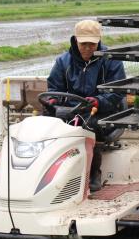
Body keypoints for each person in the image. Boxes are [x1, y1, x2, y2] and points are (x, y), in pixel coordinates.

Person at [47, 19, 125, 191]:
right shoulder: (63, 62)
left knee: (88, 125)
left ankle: (93, 173)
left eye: (92, 44)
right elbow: (54, 87)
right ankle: (47, 171)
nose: (88, 48)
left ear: (98, 41)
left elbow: (118, 92)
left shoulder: (111, 61)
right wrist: (52, 100)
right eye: (84, 44)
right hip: (72, 110)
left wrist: (99, 101)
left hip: (104, 110)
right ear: (75, 40)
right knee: (44, 121)